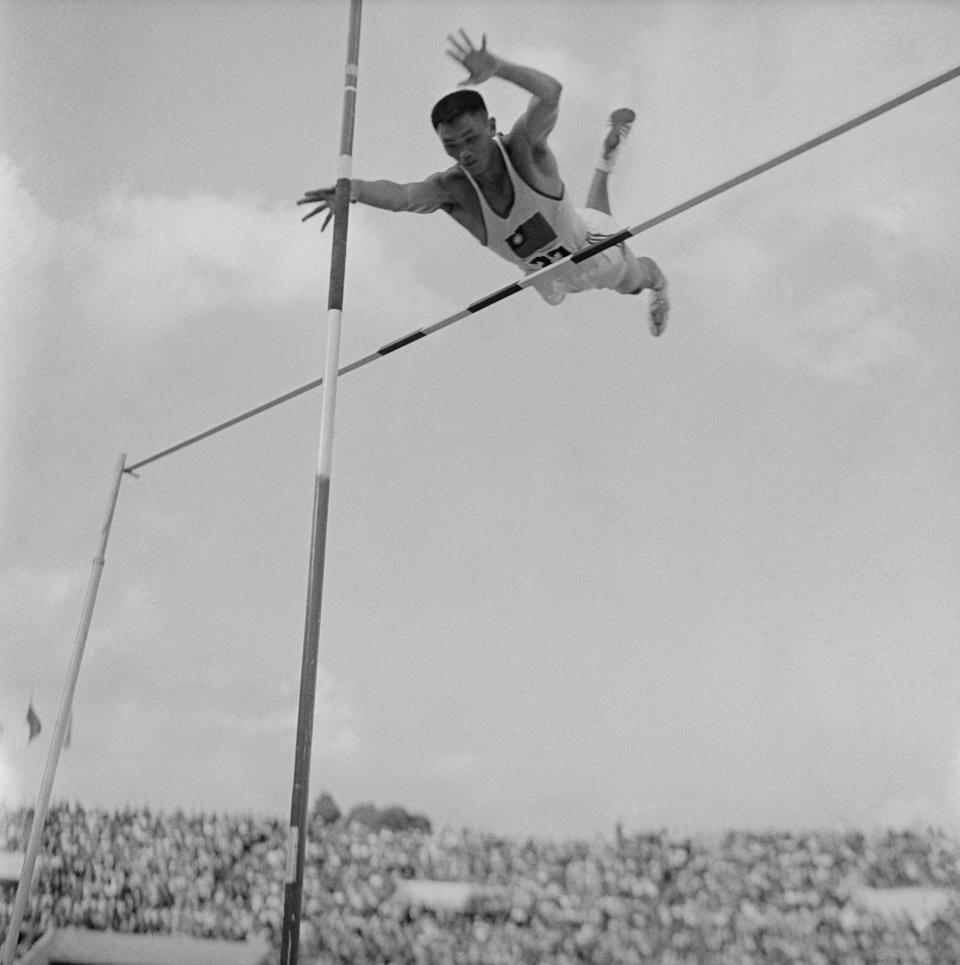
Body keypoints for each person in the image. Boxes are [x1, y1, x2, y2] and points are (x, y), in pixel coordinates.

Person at [299, 30, 669, 335]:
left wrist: (498, 68)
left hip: (591, 253)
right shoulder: (453, 188)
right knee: (590, 221)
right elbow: (402, 195)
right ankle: (606, 158)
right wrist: (356, 191)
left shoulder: (523, 149)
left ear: (492, 127)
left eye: (471, 139)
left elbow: (550, 94)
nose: (464, 154)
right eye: (451, 146)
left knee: (636, 277)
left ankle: (660, 285)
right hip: (553, 272)